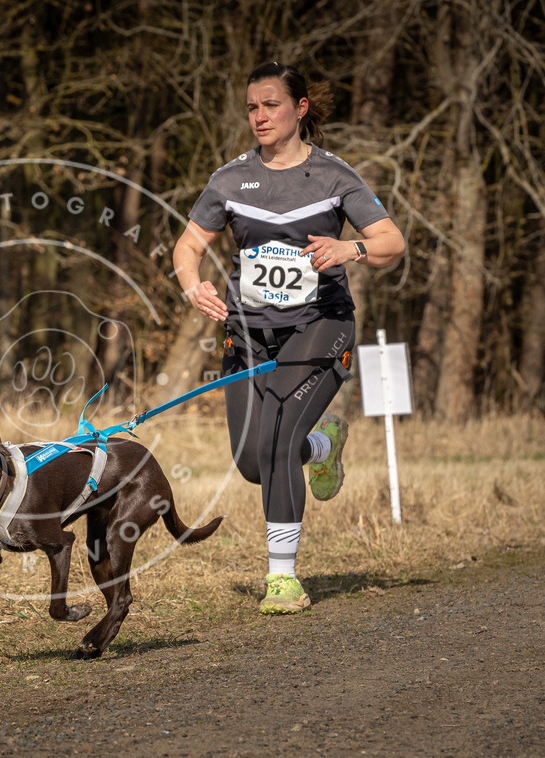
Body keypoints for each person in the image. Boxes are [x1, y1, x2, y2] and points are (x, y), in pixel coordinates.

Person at [172, 62, 406, 614]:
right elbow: (187, 248)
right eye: (252, 107)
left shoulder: (332, 176)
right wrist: (192, 287)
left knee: (277, 439)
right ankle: (322, 445)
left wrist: (350, 250)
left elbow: (392, 242)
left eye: (271, 105)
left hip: (321, 325)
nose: (259, 116)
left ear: (299, 109)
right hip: (249, 333)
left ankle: (283, 578)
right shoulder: (229, 180)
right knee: (253, 461)